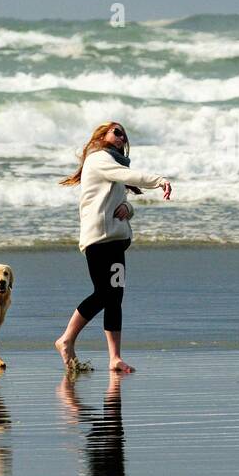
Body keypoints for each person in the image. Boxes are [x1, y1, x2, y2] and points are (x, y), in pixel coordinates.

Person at [55, 122, 171, 373]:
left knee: (115, 297)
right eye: (116, 132)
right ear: (102, 136)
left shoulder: (113, 165)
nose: (121, 138)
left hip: (116, 242)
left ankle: (115, 358)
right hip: (98, 240)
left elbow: (123, 201)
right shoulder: (98, 159)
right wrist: (159, 180)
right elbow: (129, 177)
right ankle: (66, 339)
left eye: (124, 136)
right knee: (103, 293)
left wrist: (128, 209)